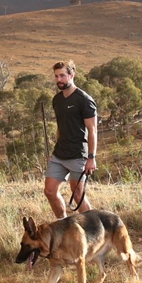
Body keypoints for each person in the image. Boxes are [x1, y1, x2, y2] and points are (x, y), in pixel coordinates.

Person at [44, 60, 98, 219]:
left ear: (71, 75)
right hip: (59, 155)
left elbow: (92, 130)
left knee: (77, 194)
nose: (58, 80)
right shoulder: (57, 100)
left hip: (78, 155)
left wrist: (91, 158)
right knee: (49, 191)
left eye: (62, 75)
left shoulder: (84, 100)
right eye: (56, 76)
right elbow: (60, 127)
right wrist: (54, 152)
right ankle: (63, 224)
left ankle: (94, 230)